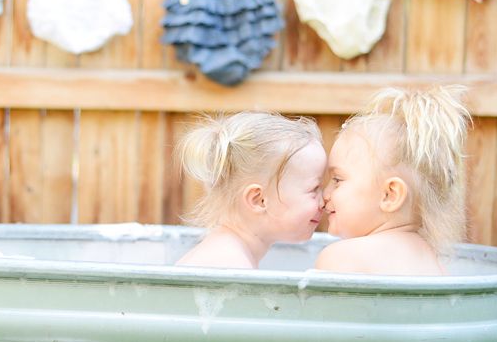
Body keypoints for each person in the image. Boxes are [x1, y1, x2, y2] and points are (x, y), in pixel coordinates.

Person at [314, 86, 471, 275]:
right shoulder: (434, 263)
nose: (325, 194)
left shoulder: (339, 257)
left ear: (390, 195)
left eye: (337, 180)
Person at [175, 111, 326, 269]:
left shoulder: (230, 252)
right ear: (258, 200)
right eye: (314, 189)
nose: (324, 201)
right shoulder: (229, 264)